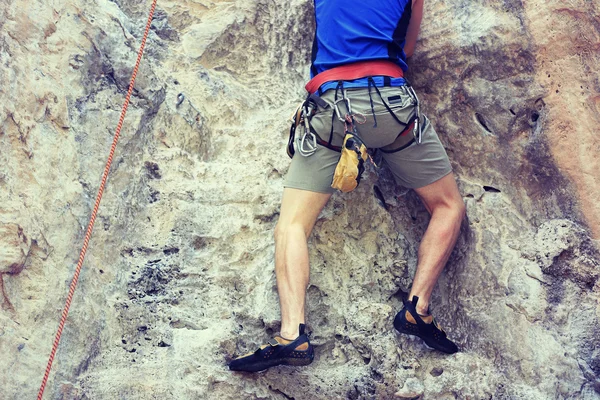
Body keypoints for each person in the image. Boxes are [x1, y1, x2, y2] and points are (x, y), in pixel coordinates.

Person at [229, 0, 466, 373]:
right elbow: (406, 48)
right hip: (390, 104)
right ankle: (417, 308)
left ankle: (293, 333)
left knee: (292, 225)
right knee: (448, 205)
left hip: (330, 107)